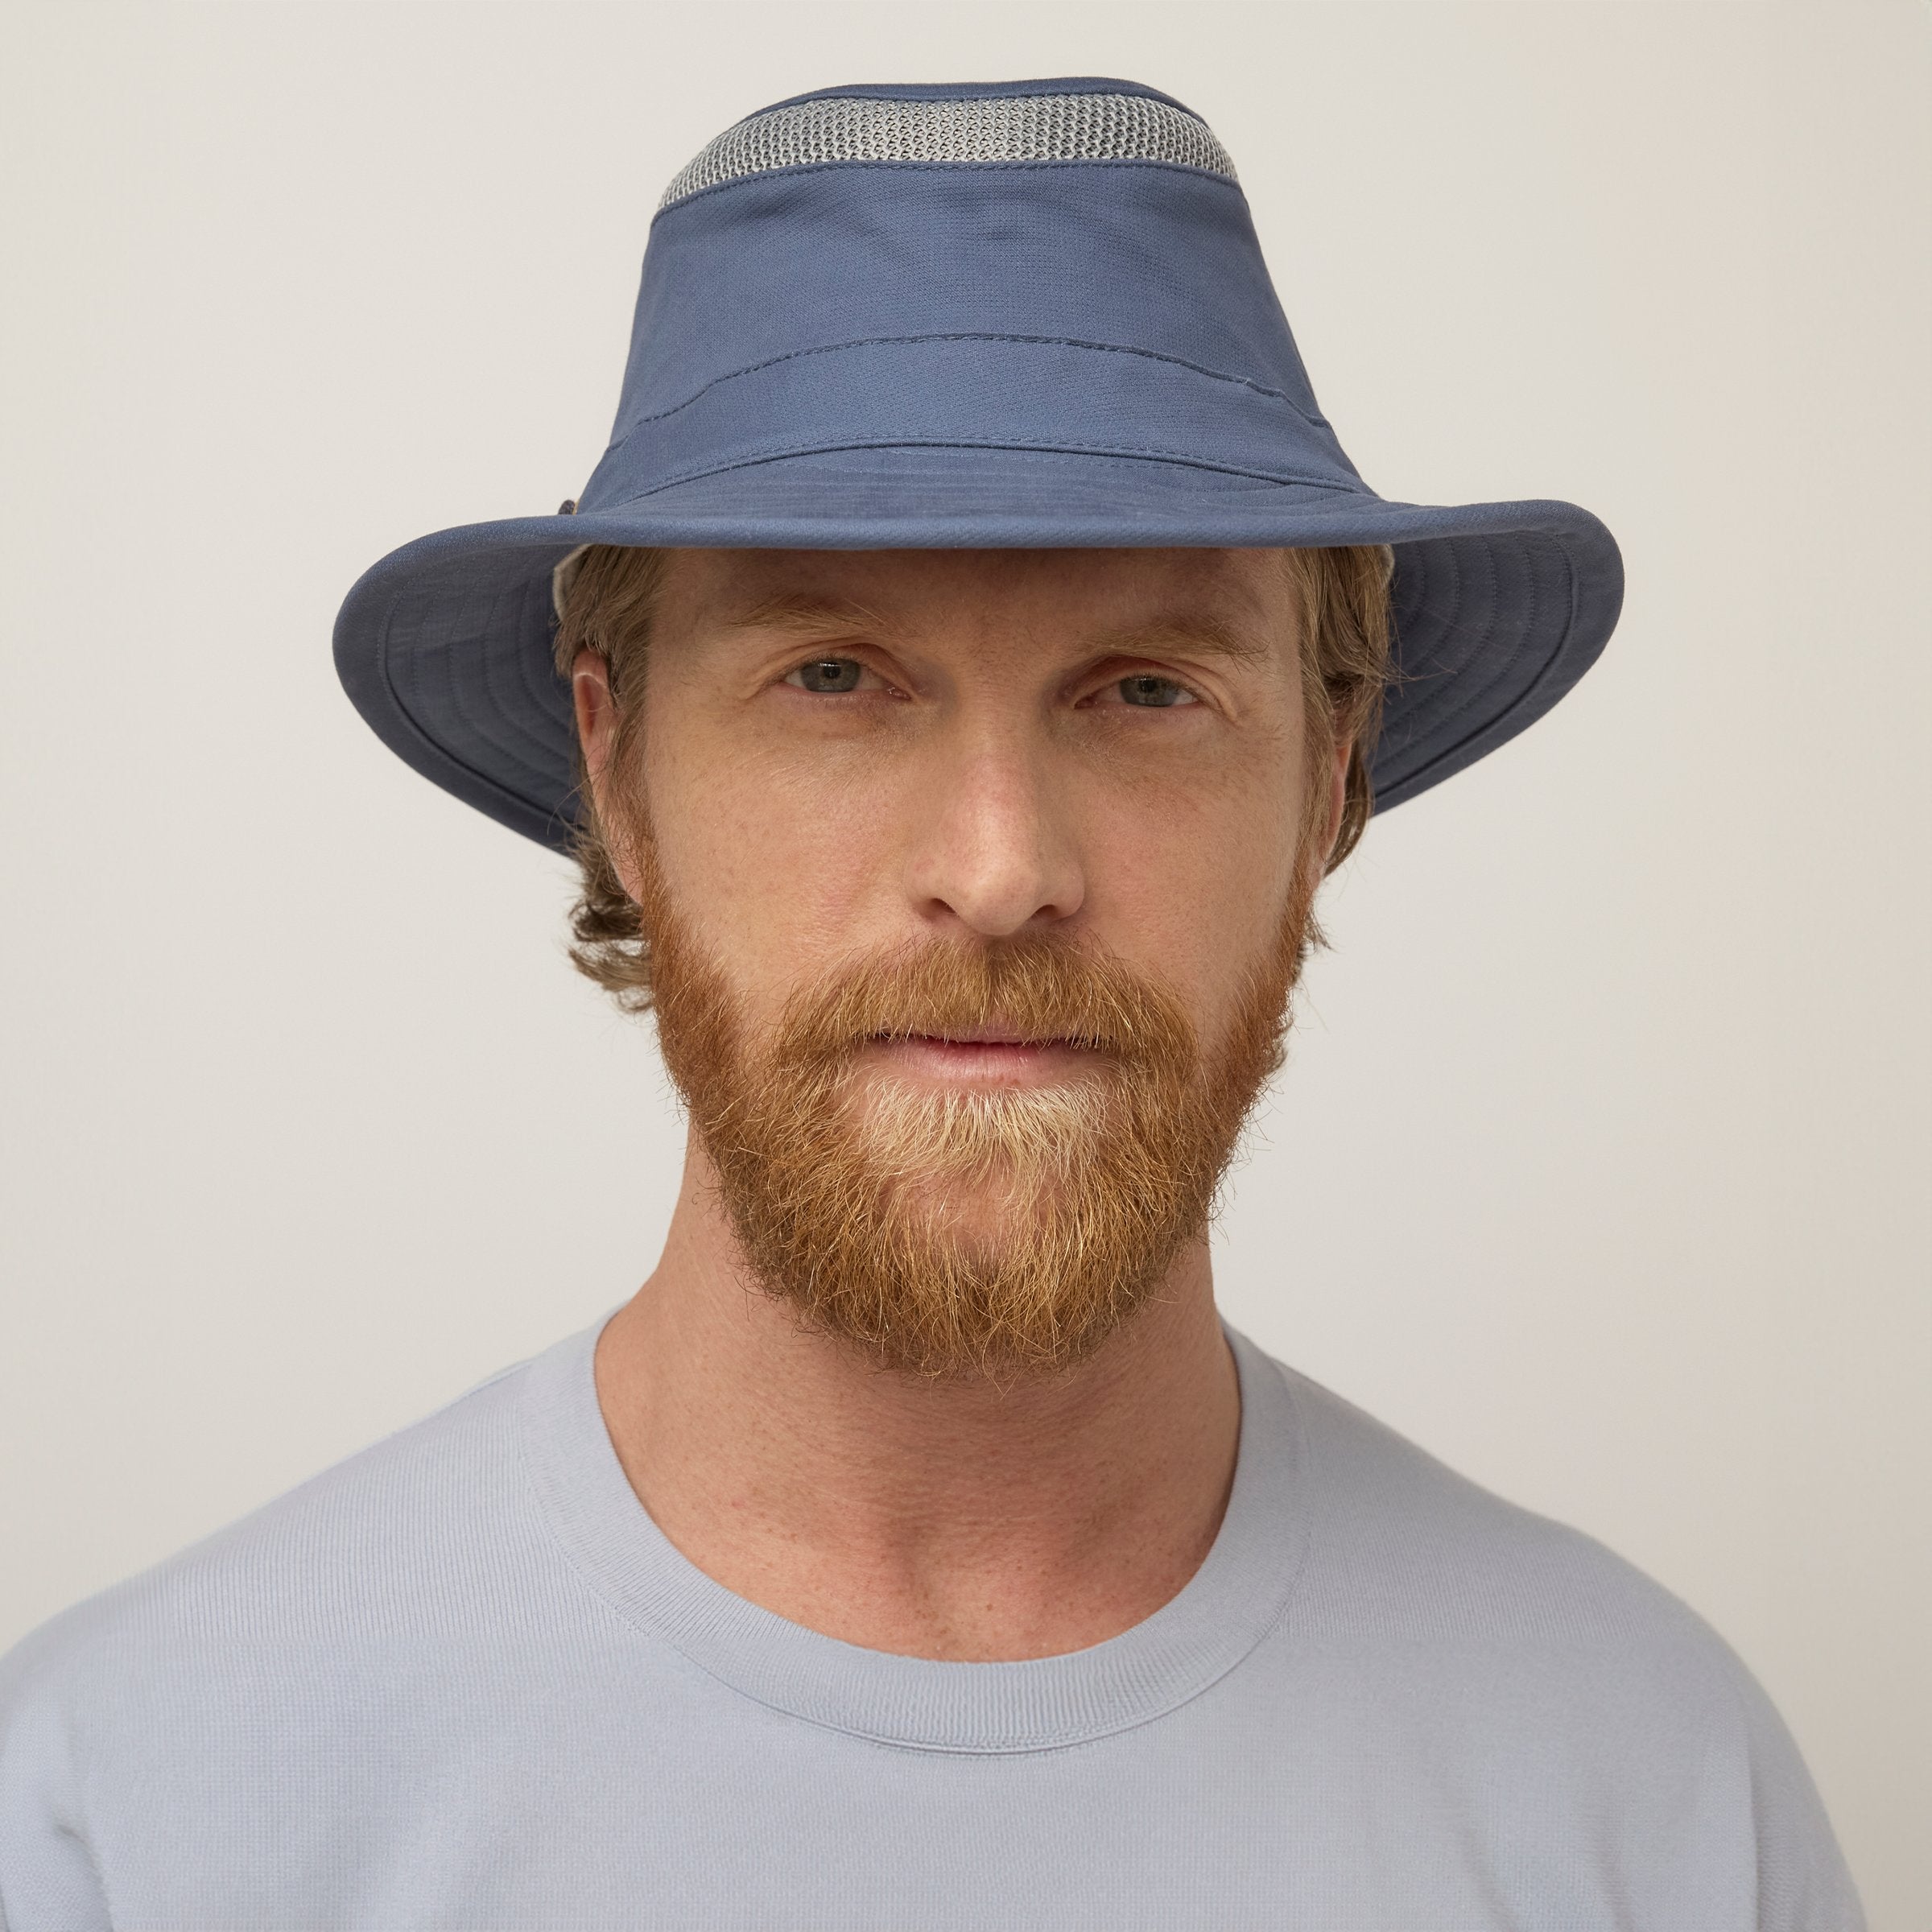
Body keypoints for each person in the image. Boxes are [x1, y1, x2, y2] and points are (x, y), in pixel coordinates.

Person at [0, 76, 1863, 1930]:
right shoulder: (136, 1811)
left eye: (1147, 689)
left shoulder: (1650, 1800)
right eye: (833, 675)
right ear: (615, 769)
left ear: (1334, 785)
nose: (999, 867)